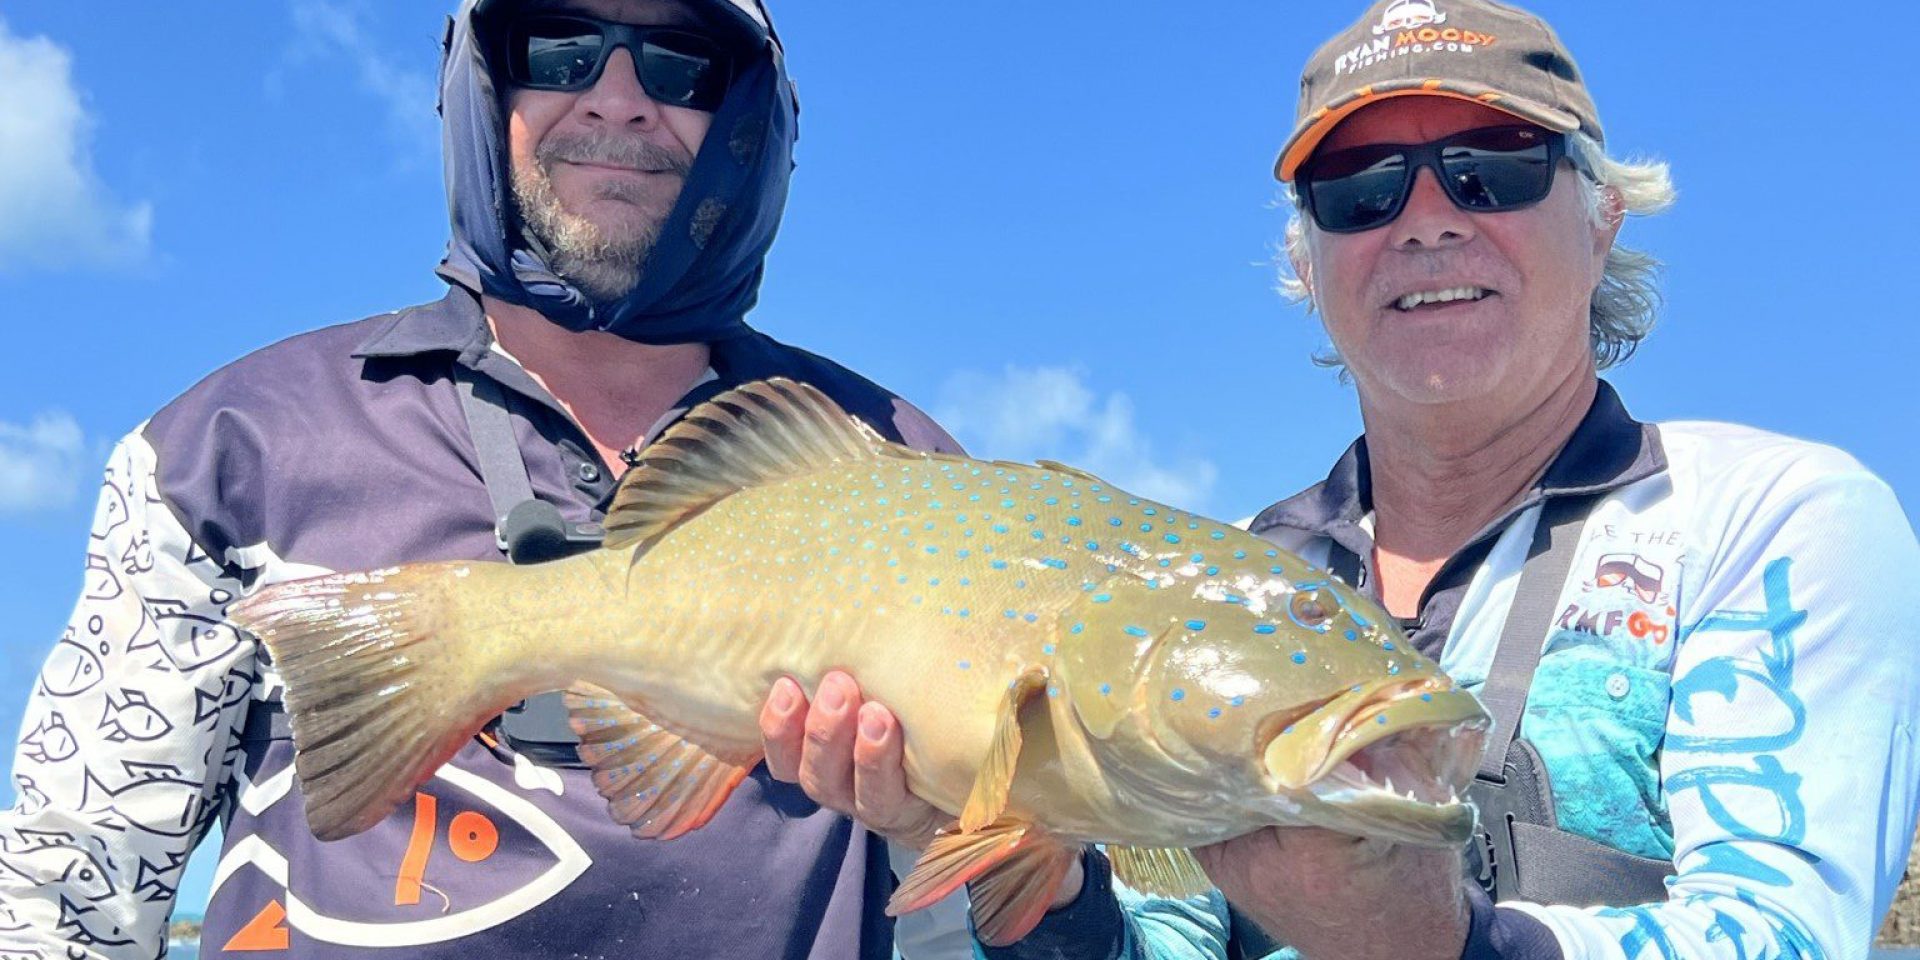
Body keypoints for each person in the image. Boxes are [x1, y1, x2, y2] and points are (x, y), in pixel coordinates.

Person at [763, 1, 1920, 957]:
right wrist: (1041, 886)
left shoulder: (1775, 520)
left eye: (1491, 170)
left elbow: (1783, 932)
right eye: (1361, 190)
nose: (1424, 222)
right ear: (1307, 262)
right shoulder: (1213, 583)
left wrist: (1436, 943)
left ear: (1603, 213)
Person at [0, 0, 972, 957]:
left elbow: (980, 918)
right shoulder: (225, 453)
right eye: (559, 48)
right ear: (479, 88)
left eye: (683, 62)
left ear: (754, 118)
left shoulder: (912, 477)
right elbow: (66, 890)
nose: (619, 98)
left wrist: (968, 849)